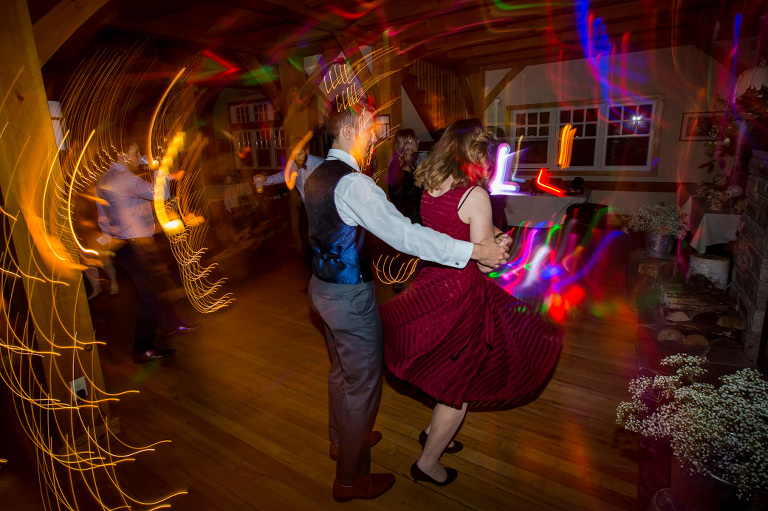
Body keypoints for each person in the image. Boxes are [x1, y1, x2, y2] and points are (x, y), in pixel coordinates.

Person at [303, 100, 509, 502]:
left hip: (319, 289)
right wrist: (473, 252)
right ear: (348, 132)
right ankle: (350, 480)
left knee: (340, 373)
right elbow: (405, 236)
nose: (373, 137)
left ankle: (339, 439)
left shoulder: (315, 172)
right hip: (348, 296)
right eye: (367, 130)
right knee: (362, 386)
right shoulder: (353, 183)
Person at [379, 119, 564, 487]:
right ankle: (427, 464)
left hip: (433, 284)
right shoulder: (475, 194)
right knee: (458, 389)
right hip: (460, 297)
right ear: (477, 154)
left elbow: (455, 230)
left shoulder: (432, 184)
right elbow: (484, 260)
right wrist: (503, 251)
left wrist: (494, 235)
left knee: (448, 369)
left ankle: (434, 432)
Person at [95, 141, 197, 363]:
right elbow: (161, 195)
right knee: (150, 297)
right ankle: (143, 348)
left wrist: (107, 237)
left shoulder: (103, 179)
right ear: (123, 153)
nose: (139, 155)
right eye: (135, 151)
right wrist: (157, 168)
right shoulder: (127, 179)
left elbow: (102, 214)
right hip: (138, 244)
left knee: (157, 284)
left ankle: (172, 325)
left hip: (122, 245)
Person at [256, 137, 323, 269]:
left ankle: (326, 280)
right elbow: (281, 176)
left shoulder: (320, 164)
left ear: (307, 151)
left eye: (300, 154)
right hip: (305, 210)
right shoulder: (291, 166)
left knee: (321, 245)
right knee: (306, 245)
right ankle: (312, 280)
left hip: (321, 210)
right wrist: (265, 179)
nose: (297, 159)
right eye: (293, 155)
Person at [387, 129, 421, 224]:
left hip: (413, 216)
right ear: (407, 144)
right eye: (415, 139)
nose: (418, 142)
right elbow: (395, 195)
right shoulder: (397, 165)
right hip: (406, 219)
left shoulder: (409, 164)